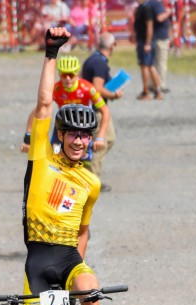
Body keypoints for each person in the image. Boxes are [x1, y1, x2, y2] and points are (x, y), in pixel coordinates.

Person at [20, 27, 105, 305]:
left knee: (93, 293)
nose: (78, 141)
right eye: (71, 135)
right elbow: (43, 104)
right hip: (37, 261)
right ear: (60, 136)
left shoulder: (91, 182)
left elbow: (84, 231)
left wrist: (81, 269)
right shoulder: (42, 157)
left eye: (84, 137)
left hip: (68, 259)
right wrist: (51, 54)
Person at [20, 54, 111, 168]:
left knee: (84, 164)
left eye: (71, 75)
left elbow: (105, 111)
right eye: (64, 75)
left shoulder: (87, 88)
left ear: (77, 74)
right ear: (59, 74)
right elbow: (39, 109)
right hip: (63, 125)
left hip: (83, 126)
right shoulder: (56, 89)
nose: (67, 79)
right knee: (54, 159)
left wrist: (100, 137)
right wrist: (28, 135)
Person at [81, 32, 123, 190]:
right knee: (102, 142)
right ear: (113, 46)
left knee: (107, 139)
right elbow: (97, 88)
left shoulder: (92, 59)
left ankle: (88, 177)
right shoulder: (100, 63)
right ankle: (92, 181)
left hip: (92, 107)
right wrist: (114, 94)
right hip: (96, 109)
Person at [134, 0, 163, 100]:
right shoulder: (139, 9)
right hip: (142, 40)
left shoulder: (146, 9)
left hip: (145, 41)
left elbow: (150, 26)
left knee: (145, 66)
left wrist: (147, 43)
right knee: (150, 66)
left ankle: (146, 92)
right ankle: (157, 91)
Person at [148, 0, 171, 94]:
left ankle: (152, 84)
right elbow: (160, 18)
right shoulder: (156, 4)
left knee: (153, 62)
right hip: (160, 38)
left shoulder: (149, 3)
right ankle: (160, 85)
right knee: (161, 62)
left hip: (154, 37)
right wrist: (167, 13)